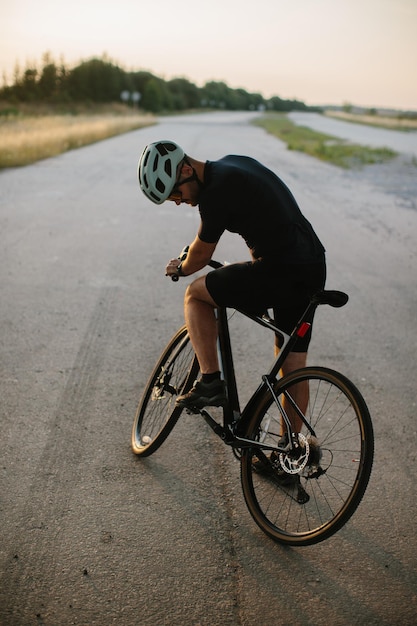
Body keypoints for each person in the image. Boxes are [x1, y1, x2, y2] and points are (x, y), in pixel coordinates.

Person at [137, 140, 326, 426]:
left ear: (187, 169)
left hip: (280, 270)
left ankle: (210, 380)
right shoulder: (233, 164)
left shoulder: (215, 193)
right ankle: (291, 453)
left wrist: (181, 267)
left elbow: (200, 254)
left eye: (175, 191)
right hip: (312, 264)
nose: (177, 200)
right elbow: (259, 222)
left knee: (196, 295)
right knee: (292, 365)